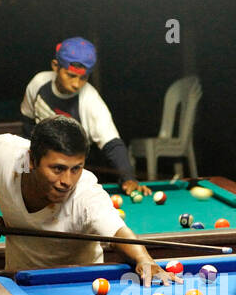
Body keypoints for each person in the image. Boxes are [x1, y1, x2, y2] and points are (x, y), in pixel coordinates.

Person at [0, 115, 174, 285]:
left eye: (76, 168)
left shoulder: (85, 192)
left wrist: (144, 259)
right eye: (57, 169)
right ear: (31, 160)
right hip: (19, 283)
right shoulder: (7, 156)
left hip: (81, 286)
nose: (67, 181)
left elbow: (118, 232)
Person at [19, 37, 150, 196]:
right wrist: (26, 171)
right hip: (42, 166)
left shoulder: (90, 100)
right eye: (71, 75)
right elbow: (27, 129)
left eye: (83, 78)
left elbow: (112, 144)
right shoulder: (38, 84)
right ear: (55, 66)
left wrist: (128, 177)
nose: (76, 84)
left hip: (73, 173)